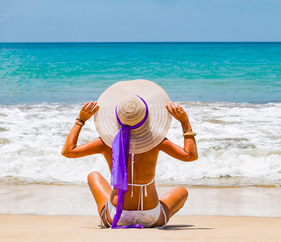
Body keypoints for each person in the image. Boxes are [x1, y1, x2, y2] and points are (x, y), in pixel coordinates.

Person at [61, 80, 198, 228]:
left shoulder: (106, 142)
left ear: (117, 117)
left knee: (93, 175)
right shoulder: (156, 141)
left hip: (115, 216)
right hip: (151, 215)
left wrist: (80, 120)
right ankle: (148, 218)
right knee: (181, 192)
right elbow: (190, 155)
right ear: (147, 116)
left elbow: (68, 151)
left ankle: (116, 214)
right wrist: (185, 122)